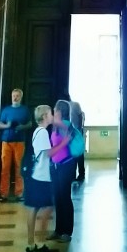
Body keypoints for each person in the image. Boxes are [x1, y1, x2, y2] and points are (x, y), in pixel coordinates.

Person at [22, 104, 62, 252]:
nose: (52, 115)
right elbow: (49, 153)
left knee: (34, 208)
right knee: (47, 208)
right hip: (41, 177)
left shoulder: (38, 132)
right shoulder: (43, 132)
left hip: (35, 176)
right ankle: (39, 244)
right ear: (45, 116)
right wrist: (64, 142)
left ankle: (31, 245)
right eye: (51, 113)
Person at [49, 99, 76, 241]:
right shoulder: (56, 126)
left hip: (66, 165)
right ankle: (58, 230)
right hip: (56, 166)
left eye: (55, 109)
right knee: (58, 198)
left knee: (65, 197)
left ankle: (67, 231)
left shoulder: (66, 125)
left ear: (59, 111)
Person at [0, 87, 31, 202]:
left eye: (17, 96)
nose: (15, 98)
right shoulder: (6, 110)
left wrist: (22, 127)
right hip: (6, 141)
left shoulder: (25, 110)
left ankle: (19, 193)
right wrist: (7, 126)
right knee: (5, 168)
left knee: (19, 168)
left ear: (21, 97)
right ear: (11, 97)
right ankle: (3, 194)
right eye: (14, 96)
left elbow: (30, 123)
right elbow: (0, 124)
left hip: (20, 141)